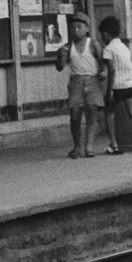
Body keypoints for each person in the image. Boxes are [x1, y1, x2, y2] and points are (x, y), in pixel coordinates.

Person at [97, 16, 132, 156]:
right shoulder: (124, 47)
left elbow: (111, 70)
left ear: (105, 34)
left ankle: (114, 144)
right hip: (129, 84)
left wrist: (109, 91)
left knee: (108, 113)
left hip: (116, 86)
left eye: (102, 36)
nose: (102, 39)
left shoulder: (108, 49)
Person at [54, 12, 106, 159]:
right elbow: (59, 67)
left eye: (79, 27)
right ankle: (77, 146)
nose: (76, 30)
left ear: (87, 29)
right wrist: (61, 55)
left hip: (93, 79)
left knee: (91, 112)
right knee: (75, 114)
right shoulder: (68, 47)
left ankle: (89, 146)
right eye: (73, 27)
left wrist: (104, 73)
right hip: (76, 81)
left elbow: (103, 65)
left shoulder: (94, 44)